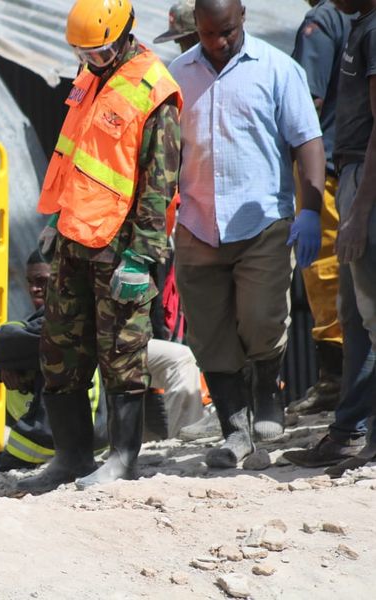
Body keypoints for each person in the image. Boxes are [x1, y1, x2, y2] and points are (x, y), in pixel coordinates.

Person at [18, 0, 182, 494]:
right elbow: (77, 158)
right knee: (60, 350)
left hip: (121, 247)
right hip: (74, 238)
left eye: (101, 51)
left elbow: (160, 182)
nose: (92, 60)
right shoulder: (90, 77)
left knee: (122, 355)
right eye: (83, 53)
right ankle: (70, 457)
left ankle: (123, 460)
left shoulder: (153, 89)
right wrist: (54, 221)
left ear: (127, 33)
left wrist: (142, 255)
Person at [169, 0, 324, 469]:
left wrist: (310, 210)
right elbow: (166, 150)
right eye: (208, 34)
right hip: (197, 225)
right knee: (209, 333)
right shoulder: (177, 74)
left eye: (228, 32)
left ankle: (267, 387)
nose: (218, 43)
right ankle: (234, 431)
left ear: (243, 18)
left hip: (262, 222)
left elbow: (307, 140)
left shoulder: (278, 69)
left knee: (261, 318)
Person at [287, 0, 376, 475]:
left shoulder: (369, 29)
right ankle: (348, 432)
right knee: (353, 314)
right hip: (353, 180)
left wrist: (357, 212)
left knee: (369, 313)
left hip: (363, 184)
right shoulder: (359, 23)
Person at [0, 250, 105, 472]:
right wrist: (10, 366)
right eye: (30, 282)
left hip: (57, 439)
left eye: (41, 281)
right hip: (92, 437)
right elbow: (14, 344)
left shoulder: (66, 319)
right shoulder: (50, 317)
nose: (34, 289)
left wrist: (9, 359)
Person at [287, 0, 353, 417]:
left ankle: (335, 379)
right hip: (357, 166)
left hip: (327, 170)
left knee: (326, 271)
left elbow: (303, 107)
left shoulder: (323, 19)